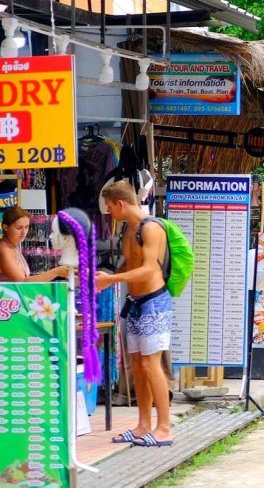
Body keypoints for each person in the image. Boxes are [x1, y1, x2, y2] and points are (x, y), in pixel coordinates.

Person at [95, 181, 174, 447]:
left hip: (154, 303)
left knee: (152, 365)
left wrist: (111, 279)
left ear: (120, 203)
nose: (108, 212)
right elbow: (130, 265)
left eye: (109, 207)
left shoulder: (150, 228)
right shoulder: (128, 228)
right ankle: (143, 425)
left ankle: (164, 428)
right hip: (136, 302)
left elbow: (149, 270)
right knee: (139, 367)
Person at [0, 207, 69, 282]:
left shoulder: (14, 246)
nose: (24, 232)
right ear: (6, 228)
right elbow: (22, 282)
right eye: (19, 228)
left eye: (26, 227)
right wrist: (56, 272)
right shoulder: (4, 251)